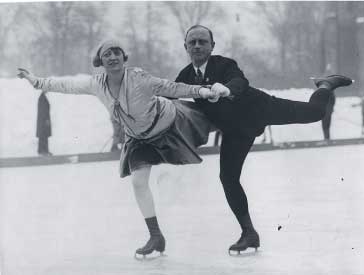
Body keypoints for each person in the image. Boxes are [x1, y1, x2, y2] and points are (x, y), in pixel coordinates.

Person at [17, 39, 226, 258]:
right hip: (139, 139)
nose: (113, 57)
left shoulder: (139, 78)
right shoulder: (96, 84)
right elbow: (65, 85)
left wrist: (203, 91)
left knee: (214, 121)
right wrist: (36, 81)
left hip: (171, 123)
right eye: (108, 53)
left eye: (117, 52)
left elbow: (172, 88)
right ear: (101, 60)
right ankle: (156, 236)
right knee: (138, 183)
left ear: (123, 57)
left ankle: (243, 118)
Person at [175, 24, 353, 254]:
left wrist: (226, 89)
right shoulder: (185, 77)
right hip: (235, 131)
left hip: (259, 108)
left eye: (202, 41)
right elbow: (168, 94)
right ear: (185, 47)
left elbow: (239, 82)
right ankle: (249, 233)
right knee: (228, 178)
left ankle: (326, 84)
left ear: (212, 46)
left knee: (315, 113)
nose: (197, 46)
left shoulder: (224, 64)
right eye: (192, 42)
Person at [36, 90, 52, 156]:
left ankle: (43, 150)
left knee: (43, 136)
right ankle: (43, 151)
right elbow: (43, 110)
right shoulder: (42, 98)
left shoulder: (42, 97)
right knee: (43, 136)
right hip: (43, 121)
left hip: (42, 121)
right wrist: (46, 120)